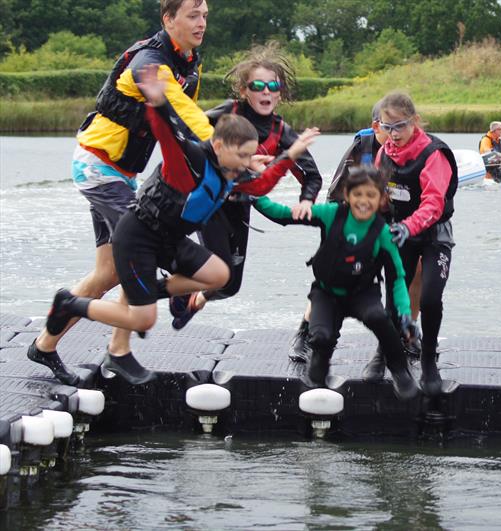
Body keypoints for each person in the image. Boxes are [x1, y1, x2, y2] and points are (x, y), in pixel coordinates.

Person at [27, 0, 213, 386]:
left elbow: (177, 134)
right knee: (140, 245)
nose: (201, 23)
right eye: (193, 15)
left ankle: (43, 345)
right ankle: (119, 351)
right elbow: (189, 120)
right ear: (168, 19)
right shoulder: (148, 63)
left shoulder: (189, 65)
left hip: (122, 175)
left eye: (205, 15)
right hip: (97, 167)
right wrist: (229, 148)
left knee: (109, 272)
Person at [41, 65, 263, 384]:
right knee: (142, 319)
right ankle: (70, 303)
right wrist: (157, 103)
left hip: (166, 238)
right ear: (218, 147)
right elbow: (168, 135)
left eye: (249, 157)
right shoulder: (187, 162)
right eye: (242, 155)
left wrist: (272, 159)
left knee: (219, 275)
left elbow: (256, 181)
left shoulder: (231, 171)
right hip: (140, 235)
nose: (246, 163)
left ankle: (152, 292)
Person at [166, 44, 322, 330]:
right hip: (210, 200)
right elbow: (188, 135)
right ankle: (164, 280)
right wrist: (237, 158)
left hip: (240, 206)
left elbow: (312, 176)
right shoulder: (228, 112)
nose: (265, 91)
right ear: (244, 90)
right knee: (220, 270)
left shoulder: (282, 132)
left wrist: (306, 201)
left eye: (272, 85)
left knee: (230, 287)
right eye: (257, 85)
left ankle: (193, 298)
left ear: (280, 91)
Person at [253, 166, 419, 401]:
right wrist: (253, 195)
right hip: (327, 293)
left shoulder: (384, 233)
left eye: (370, 196)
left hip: (362, 294)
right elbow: (283, 214)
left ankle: (400, 370)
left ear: (382, 199)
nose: (363, 201)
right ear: (347, 195)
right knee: (320, 337)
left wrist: (405, 316)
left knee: (380, 318)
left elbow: (399, 280)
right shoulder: (331, 214)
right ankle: (318, 373)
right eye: (357, 195)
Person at [361, 92, 458, 396]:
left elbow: (432, 203)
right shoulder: (384, 154)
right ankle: (384, 353)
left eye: (400, 127)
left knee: (429, 299)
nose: (394, 135)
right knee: (393, 299)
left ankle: (428, 362)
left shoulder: (434, 155)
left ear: (415, 122)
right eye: (387, 128)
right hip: (399, 232)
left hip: (433, 235)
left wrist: (408, 226)